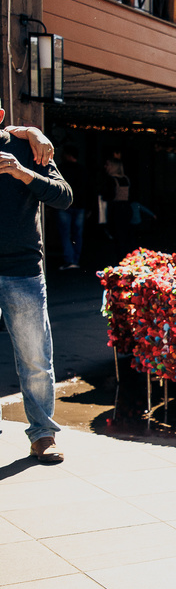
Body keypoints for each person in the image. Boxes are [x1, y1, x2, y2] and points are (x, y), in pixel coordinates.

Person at [0, 105, 73, 464]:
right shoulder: (26, 135)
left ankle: (43, 435)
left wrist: (24, 173)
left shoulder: (28, 149)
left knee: (35, 358)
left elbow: (64, 196)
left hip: (22, 269)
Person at [55, 146, 88, 270]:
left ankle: (69, 260)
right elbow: (87, 189)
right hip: (80, 205)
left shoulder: (62, 168)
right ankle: (75, 259)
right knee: (77, 234)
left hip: (64, 204)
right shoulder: (83, 170)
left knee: (65, 234)